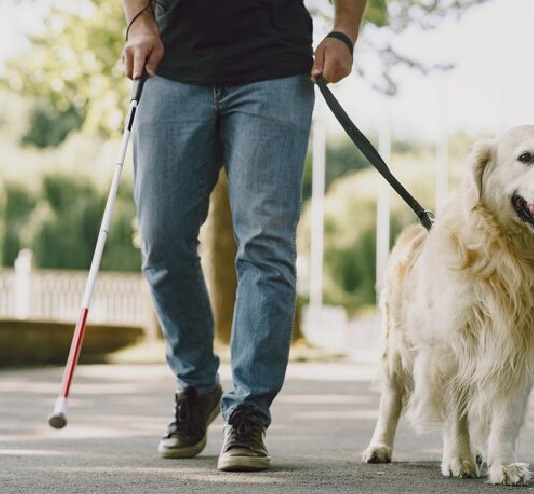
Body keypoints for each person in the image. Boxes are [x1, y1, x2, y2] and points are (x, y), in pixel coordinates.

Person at [120, 0, 366, 472]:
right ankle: (197, 386)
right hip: (172, 65)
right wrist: (138, 20)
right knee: (162, 241)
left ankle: (249, 410)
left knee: (266, 247)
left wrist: (345, 33)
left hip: (273, 69)